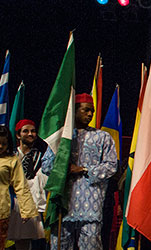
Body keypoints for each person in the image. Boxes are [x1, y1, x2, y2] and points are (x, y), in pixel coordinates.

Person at [44, 93, 118, 250]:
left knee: (90, 245)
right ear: (75, 111)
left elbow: (111, 165)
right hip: (63, 202)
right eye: (85, 110)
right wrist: (64, 169)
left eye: (92, 110)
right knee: (60, 244)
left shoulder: (102, 137)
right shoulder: (62, 138)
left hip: (91, 204)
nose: (90, 114)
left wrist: (84, 169)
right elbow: (46, 165)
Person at [8, 120, 50, 250]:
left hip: (34, 203)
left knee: (36, 241)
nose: (30, 134)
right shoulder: (11, 155)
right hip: (14, 204)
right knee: (19, 241)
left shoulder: (42, 157)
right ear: (18, 135)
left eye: (33, 131)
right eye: (26, 131)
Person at [0, 125, 37, 250]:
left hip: (2, 211)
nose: (0, 146)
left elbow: (21, 186)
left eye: (3, 144)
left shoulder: (12, 160)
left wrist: (26, 210)